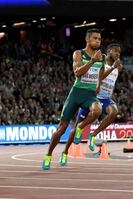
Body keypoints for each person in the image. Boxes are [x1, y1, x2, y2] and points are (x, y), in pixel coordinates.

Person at [42, 28, 104, 170]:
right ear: (87, 40)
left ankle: (80, 129)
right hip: (76, 93)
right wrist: (92, 61)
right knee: (62, 129)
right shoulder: (78, 54)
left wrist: (99, 84)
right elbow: (77, 73)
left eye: (100, 39)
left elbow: (100, 70)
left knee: (97, 110)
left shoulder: (102, 57)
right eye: (95, 38)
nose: (98, 41)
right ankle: (48, 155)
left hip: (90, 95)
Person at [59, 43, 122, 166]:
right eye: (115, 51)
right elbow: (101, 77)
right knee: (75, 128)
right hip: (92, 97)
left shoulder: (117, 66)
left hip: (105, 99)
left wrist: (115, 68)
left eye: (119, 52)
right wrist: (113, 67)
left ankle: (93, 134)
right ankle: (65, 152)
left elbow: (111, 83)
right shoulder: (101, 62)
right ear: (109, 51)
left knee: (114, 112)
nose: (118, 54)